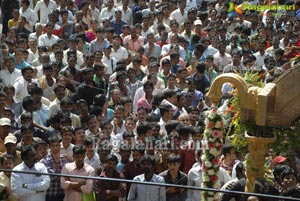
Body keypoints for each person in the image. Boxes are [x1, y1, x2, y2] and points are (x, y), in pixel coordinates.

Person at [40, 135, 69, 201]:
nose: (55, 148)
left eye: (57, 145)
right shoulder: (44, 161)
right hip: (50, 194)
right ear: (49, 146)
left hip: (62, 194)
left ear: (60, 146)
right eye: (53, 145)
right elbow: (50, 178)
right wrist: (56, 161)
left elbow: (67, 176)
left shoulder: (64, 159)